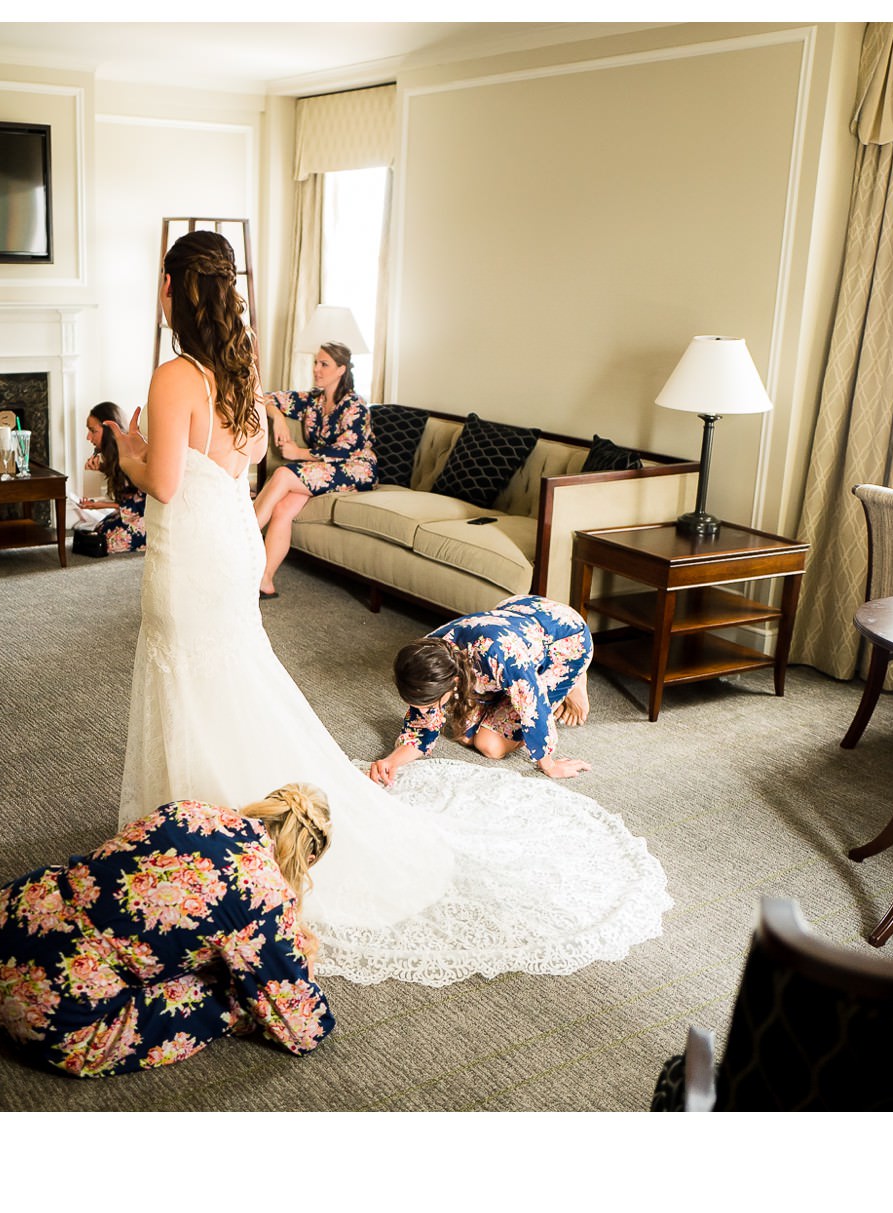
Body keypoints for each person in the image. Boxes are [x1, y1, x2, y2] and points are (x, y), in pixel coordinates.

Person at [110, 230, 670, 988]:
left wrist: (127, 448)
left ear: (173, 290)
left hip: (195, 552)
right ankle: (223, 822)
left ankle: (203, 840)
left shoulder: (176, 375)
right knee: (231, 678)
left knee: (194, 678)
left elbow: (167, 483)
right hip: (232, 543)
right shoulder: (238, 371)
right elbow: (235, 465)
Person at [0, 784, 335, 1079]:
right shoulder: (266, 898)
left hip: (2, 928)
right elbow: (303, 1028)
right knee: (235, 994)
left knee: (95, 895)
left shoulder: (190, 810)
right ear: (308, 855)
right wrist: (303, 964)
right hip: (48, 1015)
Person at [370, 594, 595, 788]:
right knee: (465, 735)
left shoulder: (503, 655)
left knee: (490, 746)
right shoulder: (426, 656)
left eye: (432, 704)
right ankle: (503, 687)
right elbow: (421, 729)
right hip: (516, 613)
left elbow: (533, 707)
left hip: (563, 638)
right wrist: (391, 761)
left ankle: (576, 677)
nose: (428, 710)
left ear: (455, 680)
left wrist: (550, 765)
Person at [252, 342, 376, 598]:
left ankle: (241, 539)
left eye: (324, 364)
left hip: (356, 468)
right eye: (316, 363)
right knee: (283, 508)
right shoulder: (312, 401)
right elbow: (265, 398)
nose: (316, 369)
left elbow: (346, 449)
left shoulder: (355, 405)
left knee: (285, 474)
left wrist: (298, 454)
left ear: (341, 369)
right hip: (320, 469)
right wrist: (278, 419)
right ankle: (265, 581)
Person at [76, 401, 146, 554]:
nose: (88, 437)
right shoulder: (114, 456)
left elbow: (136, 505)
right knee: (99, 529)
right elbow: (126, 490)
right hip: (130, 513)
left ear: (108, 430)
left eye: (93, 431)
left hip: (142, 516)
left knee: (109, 540)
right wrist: (103, 468)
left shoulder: (129, 453)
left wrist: (97, 505)